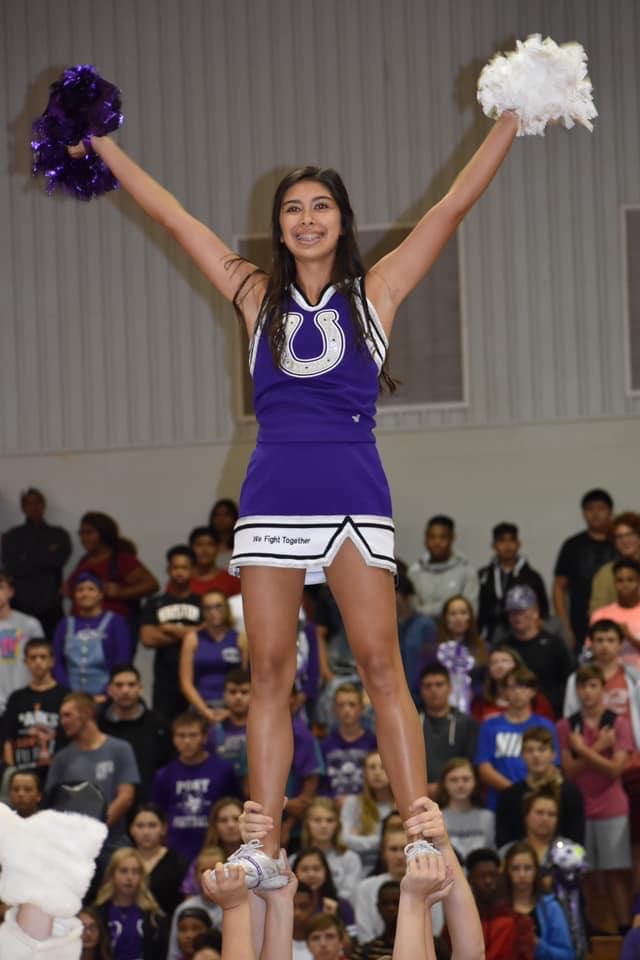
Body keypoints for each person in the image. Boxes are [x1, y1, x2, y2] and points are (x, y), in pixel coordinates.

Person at [78, 98, 520, 884]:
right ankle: (264, 842)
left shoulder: (375, 292)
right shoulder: (254, 294)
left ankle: (419, 824)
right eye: (293, 210)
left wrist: (513, 117)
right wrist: (101, 146)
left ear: (342, 222)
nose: (307, 219)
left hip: (355, 495)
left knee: (381, 664)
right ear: (279, 228)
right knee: (272, 672)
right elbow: (174, 216)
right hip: (274, 498)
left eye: (321, 207)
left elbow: (453, 206)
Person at [557, 663, 633, 933]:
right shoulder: (567, 726)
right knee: (583, 873)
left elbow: (615, 770)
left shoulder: (619, 722)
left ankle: (624, 928)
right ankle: (590, 927)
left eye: (593, 686)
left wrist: (585, 750)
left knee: (615, 872)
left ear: (603, 689)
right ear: (576, 690)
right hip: (579, 809)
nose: (587, 692)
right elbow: (568, 771)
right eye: (582, 686)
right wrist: (599, 747)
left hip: (612, 807)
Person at [45, 692, 140, 859]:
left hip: (113, 844)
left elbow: (126, 797)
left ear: (87, 713)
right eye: (61, 716)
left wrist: (97, 829)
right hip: (73, 847)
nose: (63, 722)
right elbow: (52, 804)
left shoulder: (120, 748)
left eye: (68, 715)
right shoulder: (62, 758)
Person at [150, 712, 240, 861]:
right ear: (174, 739)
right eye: (181, 736)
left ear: (204, 737)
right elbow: (159, 815)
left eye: (193, 735)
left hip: (216, 851)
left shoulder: (223, 770)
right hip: (176, 851)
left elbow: (235, 807)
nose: (187, 741)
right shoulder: (164, 775)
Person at [475, 665, 560, 810]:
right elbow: (484, 769)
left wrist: (530, 793)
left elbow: (554, 764)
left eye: (523, 687)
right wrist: (517, 792)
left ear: (533, 691)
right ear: (504, 692)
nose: (518, 692)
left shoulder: (546, 726)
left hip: (539, 804)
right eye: (512, 687)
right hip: (501, 803)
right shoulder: (490, 726)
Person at [140, 544, 202, 722]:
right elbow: (148, 638)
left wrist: (171, 629)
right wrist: (190, 633)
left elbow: (207, 632)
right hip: (164, 681)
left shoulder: (202, 601)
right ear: (168, 569)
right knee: (164, 729)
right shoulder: (155, 602)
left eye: (184, 567)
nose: (179, 572)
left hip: (197, 677)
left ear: (193, 570)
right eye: (175, 567)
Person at [495, 726, 585, 850]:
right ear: (522, 756)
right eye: (530, 751)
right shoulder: (509, 796)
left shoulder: (570, 793)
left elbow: (577, 840)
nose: (536, 755)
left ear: (553, 755)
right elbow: (503, 841)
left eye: (542, 750)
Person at [1, 487, 72, 640]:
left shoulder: (59, 534)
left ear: (43, 505)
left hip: (50, 604)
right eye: (28, 504)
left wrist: (26, 557)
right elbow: (12, 567)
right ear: (23, 508)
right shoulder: (13, 535)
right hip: (19, 604)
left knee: (51, 651)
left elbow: (58, 561)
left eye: (37, 503)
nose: (34, 507)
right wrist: (45, 554)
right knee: (17, 650)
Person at [65, 512, 158, 624]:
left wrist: (121, 592)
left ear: (104, 534)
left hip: (113, 627)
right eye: (81, 533)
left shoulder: (122, 560)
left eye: (89, 533)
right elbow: (70, 589)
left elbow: (152, 585)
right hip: (81, 625)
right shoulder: (84, 561)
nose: (83, 538)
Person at [98, 664, 172, 803]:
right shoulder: (98, 725)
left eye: (131, 685)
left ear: (140, 688)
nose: (125, 690)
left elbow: (166, 766)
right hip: (107, 800)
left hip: (148, 801)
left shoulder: (158, 725)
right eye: (119, 685)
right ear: (109, 690)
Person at [553, 489, 616, 651]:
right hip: (580, 626)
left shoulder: (621, 543)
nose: (595, 514)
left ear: (610, 511)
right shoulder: (572, 545)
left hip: (619, 623)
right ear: (583, 513)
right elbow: (559, 587)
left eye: (601, 508)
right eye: (590, 509)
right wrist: (565, 626)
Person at [52, 573, 132, 698]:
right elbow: (56, 662)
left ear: (100, 594)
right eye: (80, 590)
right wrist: (68, 691)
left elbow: (123, 660)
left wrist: (107, 692)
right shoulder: (64, 624)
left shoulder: (116, 622)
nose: (85, 594)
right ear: (74, 595)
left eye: (91, 589)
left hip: (107, 695)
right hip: (70, 695)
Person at [3, 637, 69, 782]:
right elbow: (7, 738)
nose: (38, 662)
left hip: (56, 772)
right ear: (26, 662)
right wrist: (11, 771)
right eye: (33, 657)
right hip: (22, 773)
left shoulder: (66, 696)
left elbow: (72, 737)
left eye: (43, 657)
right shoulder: (16, 698)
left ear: (52, 661)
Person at [502, 585, 574, 717]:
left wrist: (550, 702)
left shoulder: (554, 644)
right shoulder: (503, 647)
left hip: (549, 713)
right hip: (510, 713)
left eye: (522, 611)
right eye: (513, 612)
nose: (517, 617)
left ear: (535, 612)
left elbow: (569, 680)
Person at [180, 590, 245, 723]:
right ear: (202, 611)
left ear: (226, 608)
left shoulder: (241, 638)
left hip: (234, 708)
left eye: (218, 606)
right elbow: (185, 683)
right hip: (201, 705)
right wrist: (205, 711)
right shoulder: (192, 639)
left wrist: (230, 711)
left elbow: (246, 680)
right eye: (208, 608)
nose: (213, 612)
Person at [478, 522, 549, 643]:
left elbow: (543, 610)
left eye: (511, 540)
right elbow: (478, 609)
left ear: (519, 544)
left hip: (524, 634)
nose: (507, 545)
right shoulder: (483, 575)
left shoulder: (532, 576)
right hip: (490, 635)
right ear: (493, 545)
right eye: (502, 541)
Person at [503, 841, 576, 960]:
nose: (522, 875)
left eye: (528, 868)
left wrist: (537, 945)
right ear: (507, 872)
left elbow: (567, 955)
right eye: (515, 869)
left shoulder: (550, 908)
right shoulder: (499, 908)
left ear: (536, 871)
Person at [93, 847, 168, 959]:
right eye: (123, 871)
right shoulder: (98, 914)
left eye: (135, 872)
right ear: (112, 875)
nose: (129, 877)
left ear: (141, 877)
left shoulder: (154, 917)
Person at [417, 664, 478, 799]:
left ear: (450, 688)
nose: (433, 690)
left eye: (439, 685)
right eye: (428, 686)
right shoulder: (412, 722)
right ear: (421, 690)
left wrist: (444, 786)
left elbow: (469, 762)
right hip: (419, 793)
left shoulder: (467, 723)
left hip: (457, 794)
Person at [408, 515, 479, 619]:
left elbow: (471, 611)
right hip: (422, 632)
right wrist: (448, 609)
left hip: (455, 633)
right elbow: (411, 610)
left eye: (442, 537)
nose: (437, 542)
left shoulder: (467, 571)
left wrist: (426, 609)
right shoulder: (414, 571)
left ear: (452, 538)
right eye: (432, 537)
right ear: (425, 539)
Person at [465, 847, 529, 960]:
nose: (488, 881)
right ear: (470, 879)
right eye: (482, 876)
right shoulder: (459, 920)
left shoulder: (516, 920)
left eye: (492, 875)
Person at [0, 567, 45, 722]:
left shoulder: (29, 624)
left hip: (25, 700)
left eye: (0, 587)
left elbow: (42, 663)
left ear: (10, 592)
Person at [340, 751, 395, 875]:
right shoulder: (353, 803)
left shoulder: (399, 805)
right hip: (359, 867)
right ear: (364, 773)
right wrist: (382, 840)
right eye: (372, 767)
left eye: (383, 767)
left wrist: (359, 838)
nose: (377, 772)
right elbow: (344, 839)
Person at [129, 803, 189, 917]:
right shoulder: (123, 861)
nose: (146, 832)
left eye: (152, 825)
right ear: (131, 829)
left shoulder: (178, 863)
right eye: (140, 826)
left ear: (163, 829)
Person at [300, 798, 363, 904]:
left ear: (337, 824)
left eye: (330, 820)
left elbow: (349, 896)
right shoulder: (295, 859)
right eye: (317, 820)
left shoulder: (350, 859)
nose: (324, 826)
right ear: (307, 824)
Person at [320, 683, 377, 800]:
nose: (346, 710)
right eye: (341, 705)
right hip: (333, 808)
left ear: (362, 708)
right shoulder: (325, 745)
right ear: (334, 709)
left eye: (352, 705)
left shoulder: (374, 743)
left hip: (367, 806)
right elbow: (321, 783)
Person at [471, 644, 555, 723]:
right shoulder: (481, 701)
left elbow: (548, 730)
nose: (500, 666)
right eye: (494, 662)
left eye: (505, 661)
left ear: (517, 665)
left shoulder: (536, 699)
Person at [181, 796, 244, 896]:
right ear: (214, 826)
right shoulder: (205, 859)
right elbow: (190, 895)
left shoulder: (260, 855)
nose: (231, 825)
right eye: (223, 820)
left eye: (236, 819)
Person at [435, 596, 488, 712]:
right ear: (445, 618)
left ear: (470, 617)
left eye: (463, 613)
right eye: (453, 614)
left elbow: (486, 684)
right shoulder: (433, 650)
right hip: (439, 710)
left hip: (474, 708)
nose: (458, 618)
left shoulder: (482, 649)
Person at [439, 757, 495, 860]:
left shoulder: (487, 817)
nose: (460, 785)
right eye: (454, 780)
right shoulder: (437, 818)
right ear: (444, 784)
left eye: (466, 779)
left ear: (475, 782)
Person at [395, 574, 438, 704]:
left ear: (406, 597)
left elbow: (431, 663)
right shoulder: (385, 626)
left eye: (395, 594)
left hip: (420, 696)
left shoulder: (425, 625)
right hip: (394, 694)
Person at [590, 559, 640, 669]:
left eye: (630, 580)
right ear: (614, 583)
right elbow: (589, 653)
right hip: (610, 679)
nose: (625, 585)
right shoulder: (600, 615)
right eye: (620, 581)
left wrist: (630, 637)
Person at [293, 847, 355, 935]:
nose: (311, 874)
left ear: (326, 872)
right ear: (294, 873)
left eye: (316, 869)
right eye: (304, 869)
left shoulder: (342, 906)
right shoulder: (285, 905)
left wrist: (332, 920)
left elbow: (352, 944)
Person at [590, 511, 640, 613]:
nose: (625, 541)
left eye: (630, 535)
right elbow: (597, 612)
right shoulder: (606, 573)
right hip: (615, 627)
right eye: (619, 537)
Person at [208, 668, 251, 774]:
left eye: (244, 692)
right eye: (232, 692)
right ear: (224, 695)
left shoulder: (264, 730)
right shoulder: (212, 732)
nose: (238, 697)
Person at [188, 526, 241, 597]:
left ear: (218, 548)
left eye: (210, 544)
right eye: (199, 544)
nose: (205, 550)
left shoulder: (231, 580)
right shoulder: (182, 579)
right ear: (191, 548)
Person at [207, 499, 239, 571]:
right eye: (217, 515)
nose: (221, 519)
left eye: (226, 514)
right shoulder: (205, 545)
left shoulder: (242, 546)